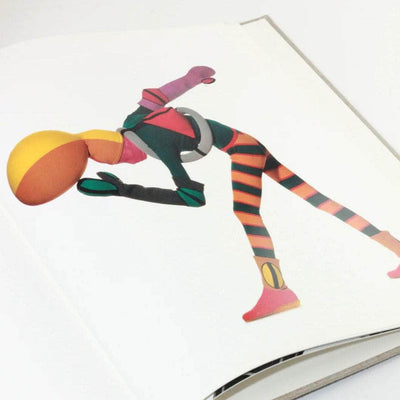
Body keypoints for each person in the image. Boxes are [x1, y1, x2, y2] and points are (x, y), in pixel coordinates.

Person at [7, 66, 400, 322]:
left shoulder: (154, 143)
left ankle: (278, 291)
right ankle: (394, 247)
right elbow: (155, 96)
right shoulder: (134, 121)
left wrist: (125, 190)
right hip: (244, 144)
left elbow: (193, 197)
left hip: (244, 149)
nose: (131, 163)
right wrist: (193, 78)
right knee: (312, 197)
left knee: (248, 213)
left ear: (124, 150)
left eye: (125, 161)